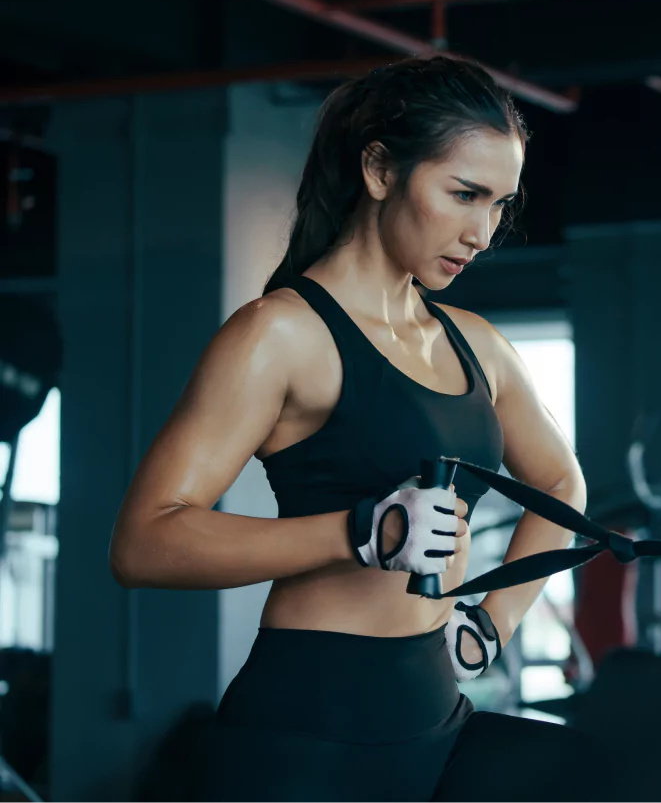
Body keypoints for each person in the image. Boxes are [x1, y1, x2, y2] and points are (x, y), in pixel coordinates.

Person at [110, 56, 606, 803]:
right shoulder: (279, 334)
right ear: (379, 168)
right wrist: (360, 531)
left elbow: (561, 485)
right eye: (464, 193)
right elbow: (143, 541)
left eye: (500, 203)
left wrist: (491, 621)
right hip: (308, 720)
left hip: (434, 710)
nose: (483, 231)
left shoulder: (476, 343)